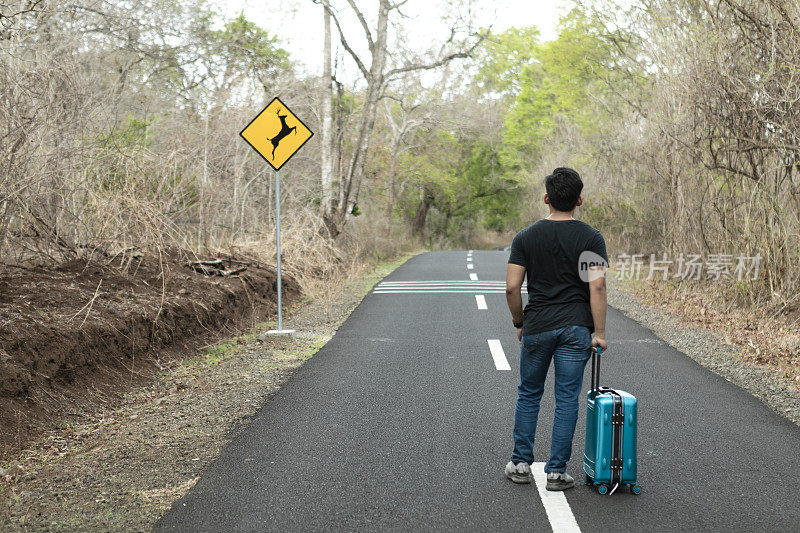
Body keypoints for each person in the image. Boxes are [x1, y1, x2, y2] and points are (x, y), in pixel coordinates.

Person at [503, 167, 608, 490]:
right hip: (576, 329)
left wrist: (520, 322)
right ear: (579, 200)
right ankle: (556, 472)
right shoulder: (591, 238)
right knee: (566, 399)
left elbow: (511, 288)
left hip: (537, 326)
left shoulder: (525, 237)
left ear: (546, 199)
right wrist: (599, 333)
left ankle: (520, 464)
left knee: (529, 393)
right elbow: (598, 288)